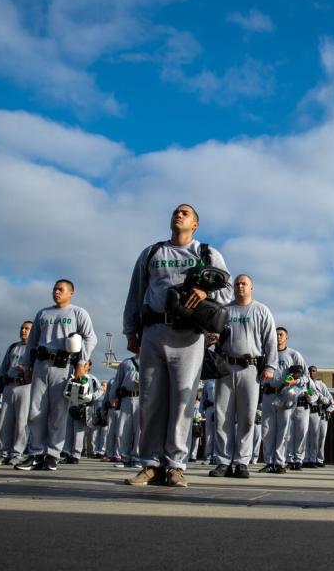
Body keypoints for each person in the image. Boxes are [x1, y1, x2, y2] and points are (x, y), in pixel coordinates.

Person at [122, 204, 233, 488]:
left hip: (188, 335)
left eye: (185, 213)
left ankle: (175, 465)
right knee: (150, 400)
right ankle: (149, 464)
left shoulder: (206, 253)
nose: (179, 215)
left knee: (181, 402)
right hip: (154, 330)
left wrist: (204, 290)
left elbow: (227, 289)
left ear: (195, 224)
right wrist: (131, 332)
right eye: (176, 212)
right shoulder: (152, 253)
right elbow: (135, 293)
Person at [15, 279, 97, 472]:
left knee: (58, 413)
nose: (57, 292)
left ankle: (52, 454)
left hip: (64, 366)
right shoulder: (43, 313)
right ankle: (35, 453)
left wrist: (81, 363)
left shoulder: (78, 313)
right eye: (55, 289)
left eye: (61, 289)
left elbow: (90, 338)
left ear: (71, 293)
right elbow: (32, 342)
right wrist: (27, 366)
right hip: (42, 365)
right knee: (36, 411)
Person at [209, 274, 277, 479]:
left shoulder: (261, 310)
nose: (240, 286)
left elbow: (270, 340)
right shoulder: (224, 310)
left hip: (250, 368)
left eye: (244, 283)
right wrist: (212, 338)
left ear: (251, 287)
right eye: (237, 283)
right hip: (225, 367)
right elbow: (213, 334)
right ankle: (222, 460)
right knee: (222, 416)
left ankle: (241, 462)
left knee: (247, 416)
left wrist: (270, 366)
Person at [259, 327, 307, 473]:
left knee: (283, 429)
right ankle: (269, 462)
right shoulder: (265, 353)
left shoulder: (293, 354)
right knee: (267, 430)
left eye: (281, 335)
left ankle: (280, 463)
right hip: (268, 394)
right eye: (276, 335)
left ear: (287, 338)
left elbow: (305, 377)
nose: (278, 337)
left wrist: (295, 382)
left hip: (285, 395)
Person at [0, 321, 33, 466]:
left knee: (21, 422)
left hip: (25, 386)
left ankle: (17, 453)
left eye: (27, 329)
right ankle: (4, 453)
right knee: (4, 421)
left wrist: (27, 370)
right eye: (22, 328)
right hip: (9, 385)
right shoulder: (13, 347)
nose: (23, 331)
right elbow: (4, 367)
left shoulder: (34, 348)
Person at [62, 360, 102, 463]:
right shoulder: (73, 376)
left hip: (84, 407)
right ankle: (66, 452)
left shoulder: (91, 378)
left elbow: (100, 390)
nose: (84, 366)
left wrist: (93, 396)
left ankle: (76, 455)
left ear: (89, 367)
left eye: (86, 364)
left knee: (79, 432)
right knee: (68, 431)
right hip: (72, 405)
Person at [110, 354, 141, 469]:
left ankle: (137, 457)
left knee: (140, 430)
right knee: (123, 429)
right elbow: (118, 381)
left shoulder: (151, 359)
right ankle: (125, 457)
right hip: (126, 398)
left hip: (141, 398)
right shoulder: (126, 362)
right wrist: (113, 397)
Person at [305, 365, 334, 467]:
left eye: (313, 371)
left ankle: (319, 459)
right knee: (307, 438)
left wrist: (327, 410)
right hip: (307, 412)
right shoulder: (305, 383)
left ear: (316, 372)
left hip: (320, 414)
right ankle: (307, 459)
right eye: (310, 371)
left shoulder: (321, 385)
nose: (311, 372)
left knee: (320, 439)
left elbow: (331, 402)